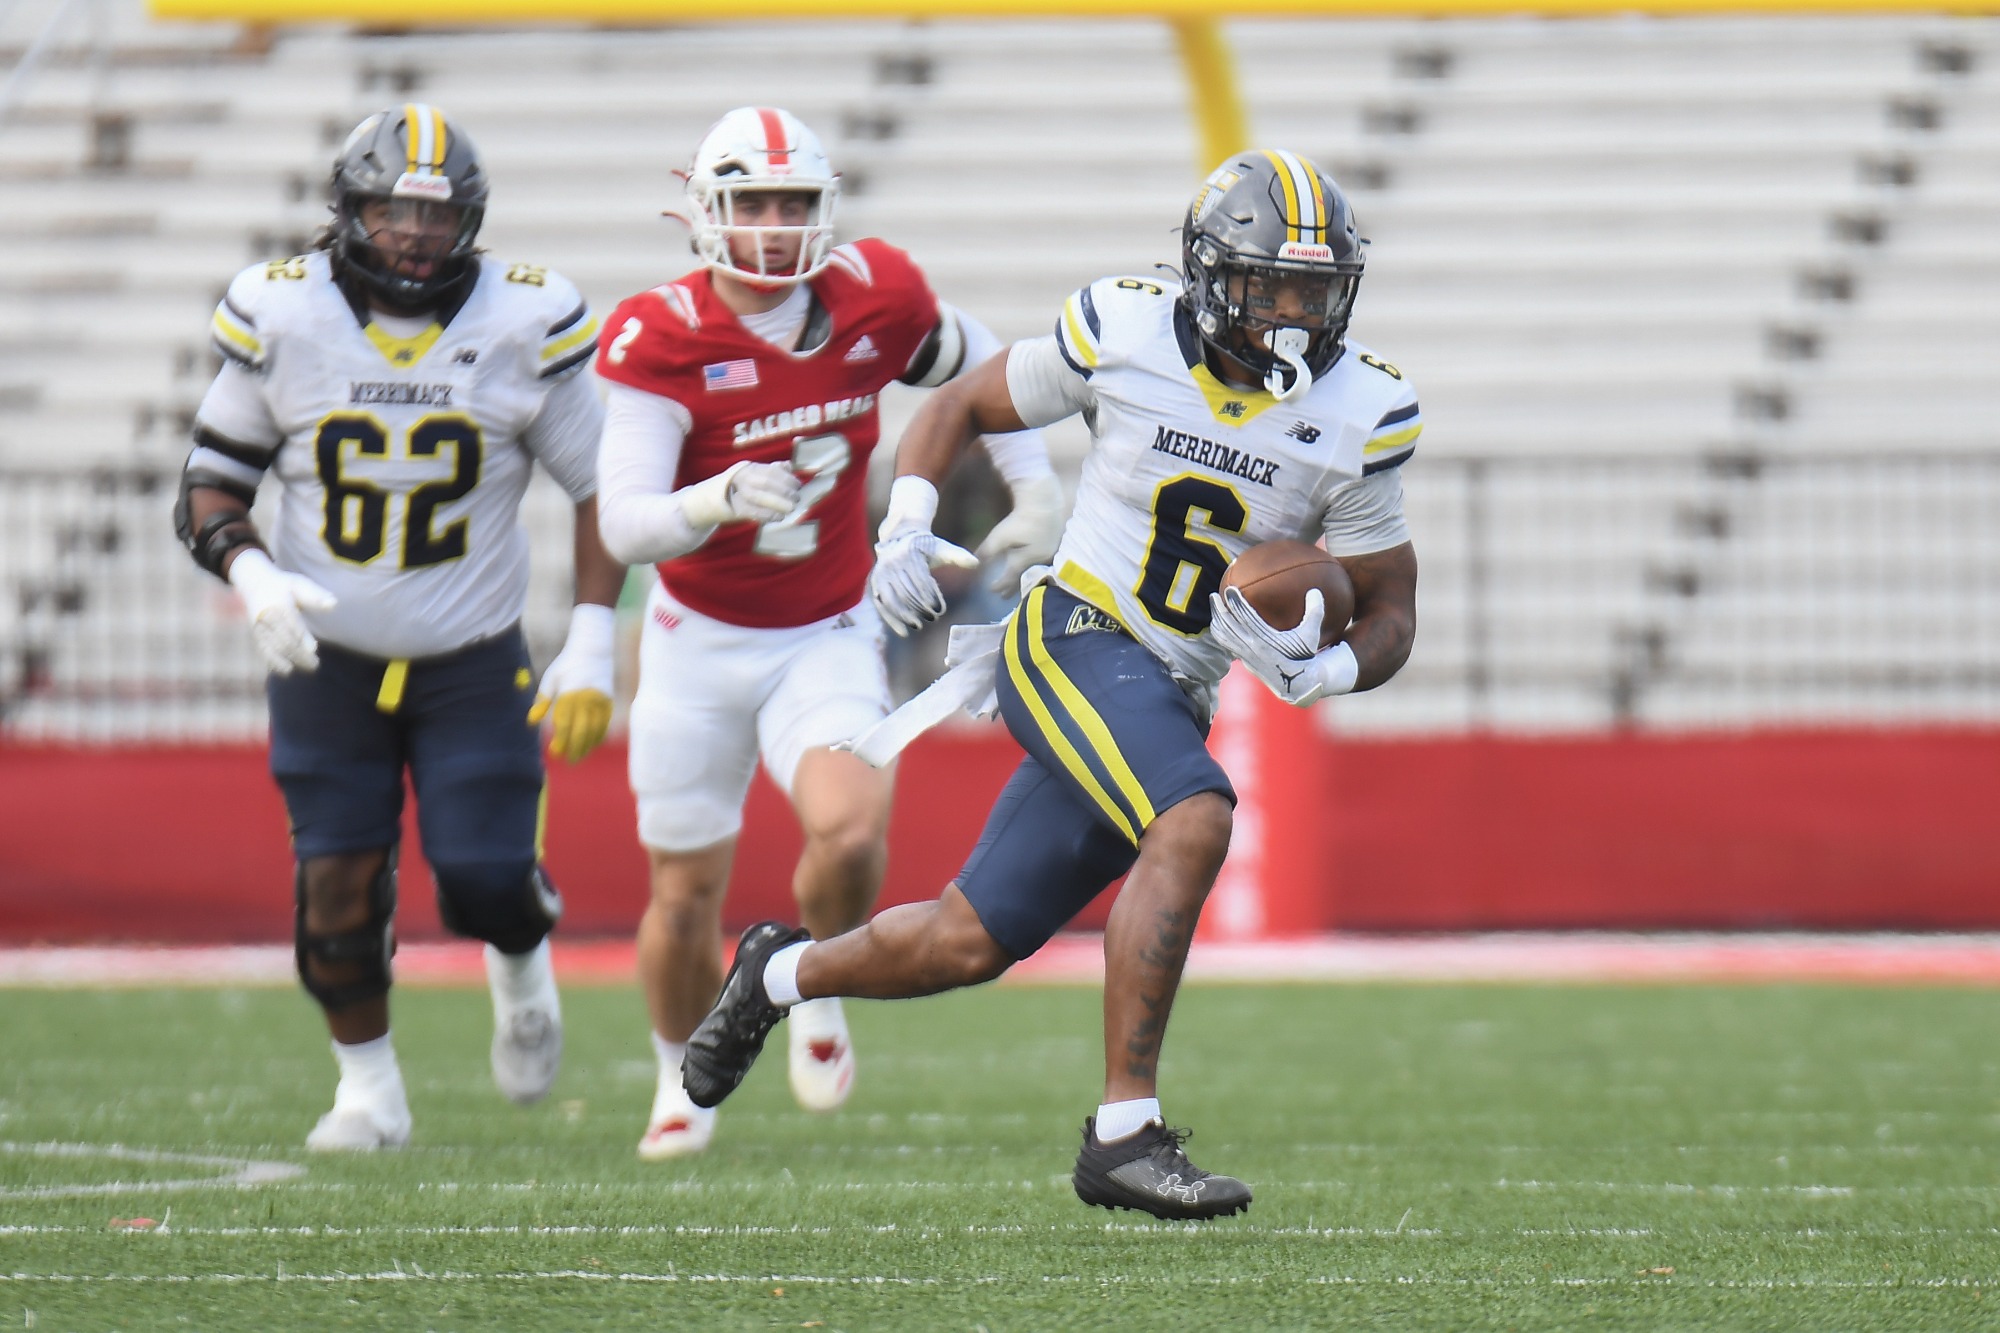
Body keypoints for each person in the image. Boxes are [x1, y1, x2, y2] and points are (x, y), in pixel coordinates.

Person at [680, 150, 1421, 1220]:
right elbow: (958, 406)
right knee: (1195, 812)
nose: (1292, 318)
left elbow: (1388, 602)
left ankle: (775, 975)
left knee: (963, 940)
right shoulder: (1120, 332)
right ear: (1210, 275)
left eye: (1313, 292)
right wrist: (907, 527)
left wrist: (1330, 665)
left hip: (1167, 688)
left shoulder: (1365, 410)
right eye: (1268, 288)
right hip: (1070, 632)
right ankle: (1123, 1134)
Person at [591, 106, 1062, 1161]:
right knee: (683, 892)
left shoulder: (874, 293)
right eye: (750, 202)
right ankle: (680, 1070)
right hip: (695, 634)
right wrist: (712, 501)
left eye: (791, 202)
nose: (771, 224)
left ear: (825, 211)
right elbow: (622, 520)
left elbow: (984, 366)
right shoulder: (661, 332)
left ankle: (808, 982)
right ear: (705, 211)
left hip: (826, 624)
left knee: (851, 831)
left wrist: (1034, 488)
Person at [174, 104, 627, 1151]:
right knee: (334, 883)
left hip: (471, 661)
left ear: (468, 220)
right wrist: (252, 572)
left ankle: (520, 965)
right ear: (348, 210)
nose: (413, 233)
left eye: (433, 214)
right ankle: (369, 1093)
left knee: (483, 881)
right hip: (323, 660)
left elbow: (604, 486)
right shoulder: (283, 316)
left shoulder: (521, 320)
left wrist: (593, 632)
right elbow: (210, 482)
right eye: (390, 209)